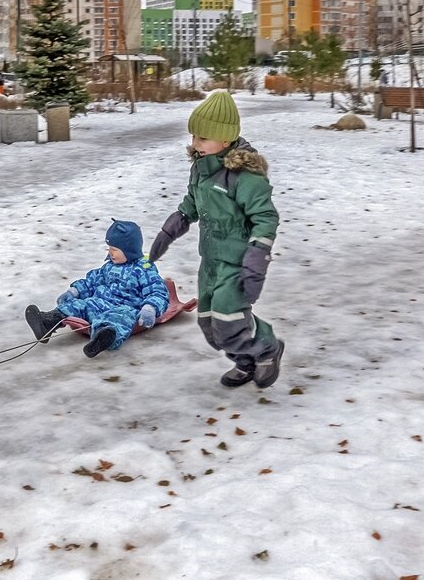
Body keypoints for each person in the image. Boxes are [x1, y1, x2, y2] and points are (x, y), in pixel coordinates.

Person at [149, 91, 283, 389]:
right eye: (194, 136)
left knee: (229, 319)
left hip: (237, 262)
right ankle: (246, 362)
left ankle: (268, 347)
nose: (195, 143)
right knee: (209, 324)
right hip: (210, 259)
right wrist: (170, 230)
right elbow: (191, 204)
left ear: (225, 140)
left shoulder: (244, 176)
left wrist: (257, 255)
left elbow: (266, 218)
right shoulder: (200, 167)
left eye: (203, 138)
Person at [25, 220, 170, 359]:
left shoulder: (143, 270)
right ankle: (47, 323)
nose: (110, 253)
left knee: (117, 319)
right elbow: (92, 282)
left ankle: (104, 338)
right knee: (80, 305)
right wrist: (74, 291)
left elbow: (158, 291)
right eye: (109, 248)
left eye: (115, 249)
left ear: (129, 249)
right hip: (99, 302)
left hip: (126, 307)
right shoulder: (109, 267)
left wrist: (150, 308)